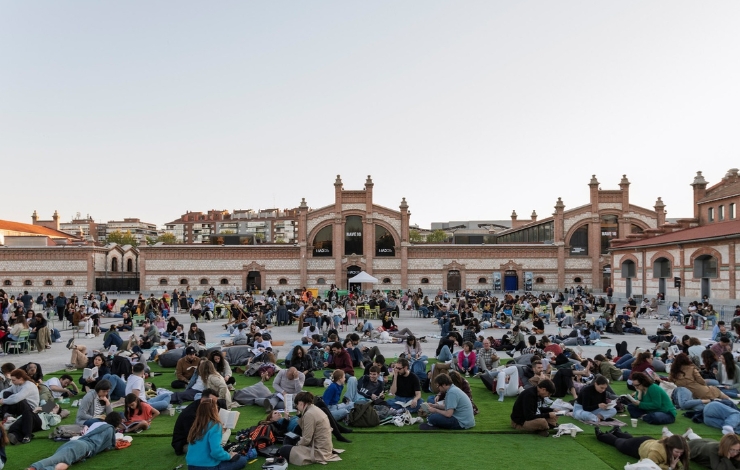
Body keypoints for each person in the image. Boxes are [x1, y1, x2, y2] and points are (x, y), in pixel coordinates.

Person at [26, 412, 123, 470]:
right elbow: (107, 446)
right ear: (116, 424)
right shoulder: (110, 429)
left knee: (64, 463)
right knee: (56, 458)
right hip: (83, 447)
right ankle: (34, 467)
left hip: (77, 443)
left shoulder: (97, 423)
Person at [278, 391, 340, 466]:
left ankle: (287, 453)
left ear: (301, 403)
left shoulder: (309, 414)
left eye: (296, 404)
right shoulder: (313, 408)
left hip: (318, 450)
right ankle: (290, 451)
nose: (296, 407)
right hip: (322, 446)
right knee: (290, 437)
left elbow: (307, 439)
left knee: (284, 450)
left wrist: (298, 444)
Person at [185, 394, 247, 470]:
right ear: (215, 410)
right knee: (242, 460)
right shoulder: (215, 425)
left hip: (191, 466)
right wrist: (229, 456)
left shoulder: (196, 424)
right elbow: (215, 452)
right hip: (208, 466)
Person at [596, 429, 689, 470]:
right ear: (669, 447)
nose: (679, 455)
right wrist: (669, 468)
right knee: (619, 443)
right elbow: (647, 467)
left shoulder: (682, 451)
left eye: (681, 452)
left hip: (649, 441)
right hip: (638, 446)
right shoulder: (657, 452)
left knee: (629, 439)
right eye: (677, 452)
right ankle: (601, 435)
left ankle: (617, 431)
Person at [0, 369, 41, 444]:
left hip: (30, 410)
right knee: (6, 393)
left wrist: (3, 401)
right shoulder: (17, 384)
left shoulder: (28, 386)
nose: (12, 382)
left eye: (14, 380)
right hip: (23, 410)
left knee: (17, 400)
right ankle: (4, 416)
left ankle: (24, 435)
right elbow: (5, 391)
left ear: (21, 379)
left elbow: (16, 399)